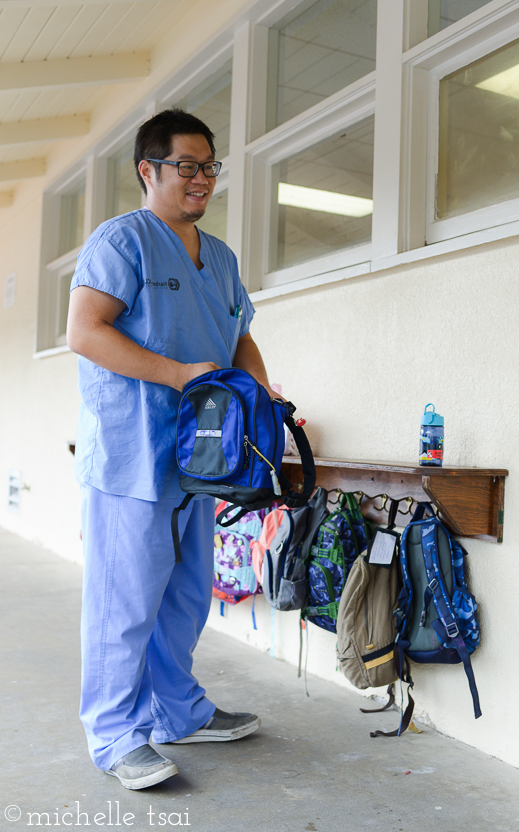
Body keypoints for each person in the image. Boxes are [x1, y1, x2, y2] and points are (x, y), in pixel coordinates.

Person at [67, 109, 280, 791]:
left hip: (203, 455)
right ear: (148, 170)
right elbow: (85, 332)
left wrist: (259, 390)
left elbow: (238, 333)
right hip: (133, 453)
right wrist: (181, 374)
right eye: (186, 166)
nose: (201, 180)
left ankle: (176, 712)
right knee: (124, 602)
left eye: (209, 167)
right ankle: (114, 735)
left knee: (185, 595)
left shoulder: (217, 257)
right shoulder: (121, 240)